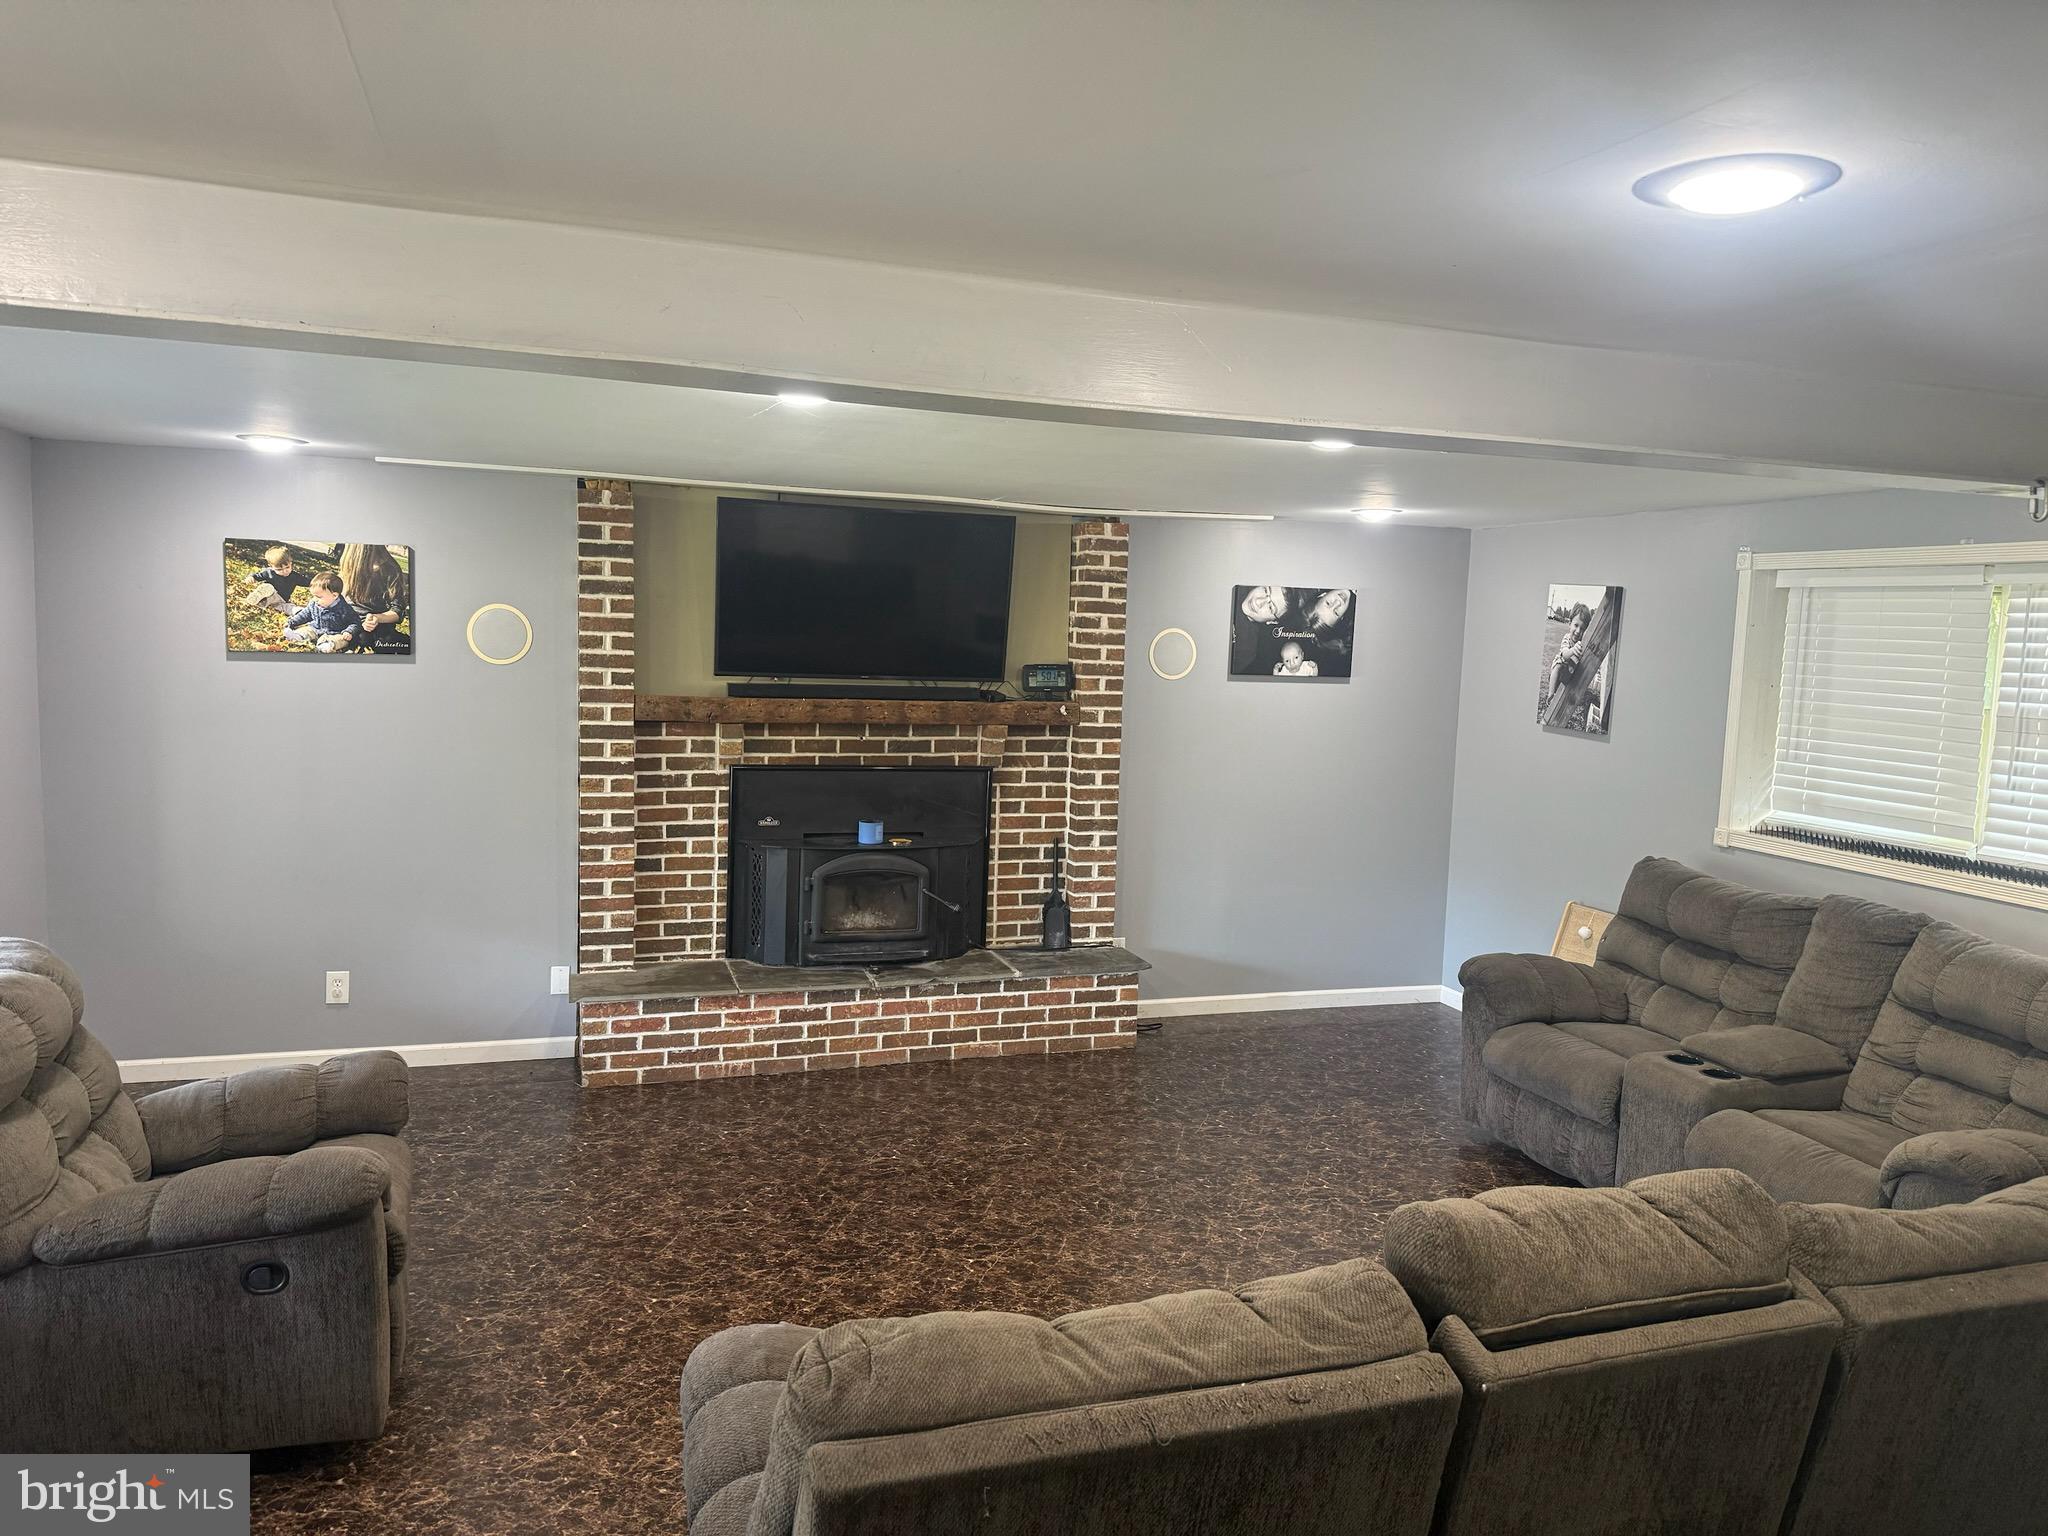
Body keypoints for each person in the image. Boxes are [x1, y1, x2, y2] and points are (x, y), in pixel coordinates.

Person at [337, 543, 410, 651]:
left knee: (364, 638)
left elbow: (398, 611)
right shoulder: (349, 564)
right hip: (345, 621)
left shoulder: (390, 570)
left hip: (371, 629)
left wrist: (377, 618)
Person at [284, 573, 365, 653]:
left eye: (318, 597)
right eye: (313, 596)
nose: (315, 599)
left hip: (335, 633)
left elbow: (355, 622)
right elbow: (305, 615)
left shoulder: (344, 609)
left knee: (340, 640)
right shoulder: (314, 604)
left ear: (334, 595)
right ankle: (298, 636)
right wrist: (292, 622)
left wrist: (349, 631)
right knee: (306, 630)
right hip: (316, 629)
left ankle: (327, 645)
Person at [241, 545, 309, 614]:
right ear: (271, 567)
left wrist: (317, 583)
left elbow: (308, 582)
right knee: (269, 592)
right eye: (279, 569)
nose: (284, 571)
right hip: (270, 594)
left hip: (281, 600)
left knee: (286, 607)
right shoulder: (269, 572)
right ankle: (259, 598)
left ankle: (298, 611)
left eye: (287, 567)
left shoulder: (295, 576)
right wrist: (251, 577)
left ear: (291, 563)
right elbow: (258, 576)